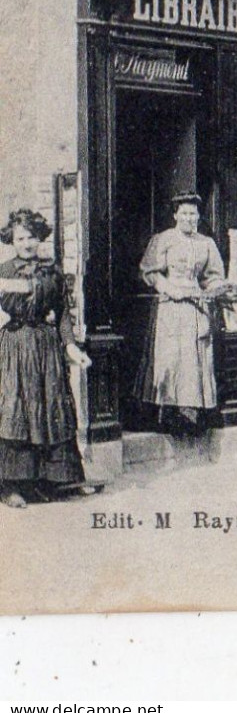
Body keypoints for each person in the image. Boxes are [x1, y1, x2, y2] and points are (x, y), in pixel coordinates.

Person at [0, 209, 89, 508]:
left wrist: (71, 346)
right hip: (15, 347)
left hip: (48, 347)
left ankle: (52, 482)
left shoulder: (52, 271)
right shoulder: (4, 271)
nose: (27, 243)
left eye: (32, 237)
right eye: (20, 237)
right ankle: (12, 486)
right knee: (18, 411)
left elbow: (62, 313)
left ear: (40, 238)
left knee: (52, 407)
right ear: (12, 240)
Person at [138, 193, 235, 429]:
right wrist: (169, 288)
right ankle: (167, 414)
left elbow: (212, 276)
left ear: (199, 216)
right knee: (170, 359)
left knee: (193, 361)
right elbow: (149, 271)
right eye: (184, 213)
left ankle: (190, 415)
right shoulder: (163, 239)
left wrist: (218, 289)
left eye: (193, 214)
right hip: (170, 307)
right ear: (175, 215)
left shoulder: (206, 243)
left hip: (195, 307)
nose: (189, 219)